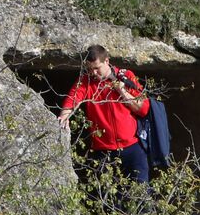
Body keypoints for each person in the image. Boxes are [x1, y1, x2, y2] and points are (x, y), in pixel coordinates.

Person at [57, 45, 151, 183]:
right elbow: (73, 99)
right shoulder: (86, 82)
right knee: (109, 201)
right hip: (103, 152)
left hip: (133, 148)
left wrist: (122, 91)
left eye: (97, 68)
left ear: (107, 61)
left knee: (141, 195)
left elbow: (143, 109)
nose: (94, 73)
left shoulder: (126, 76)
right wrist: (64, 117)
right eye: (90, 69)